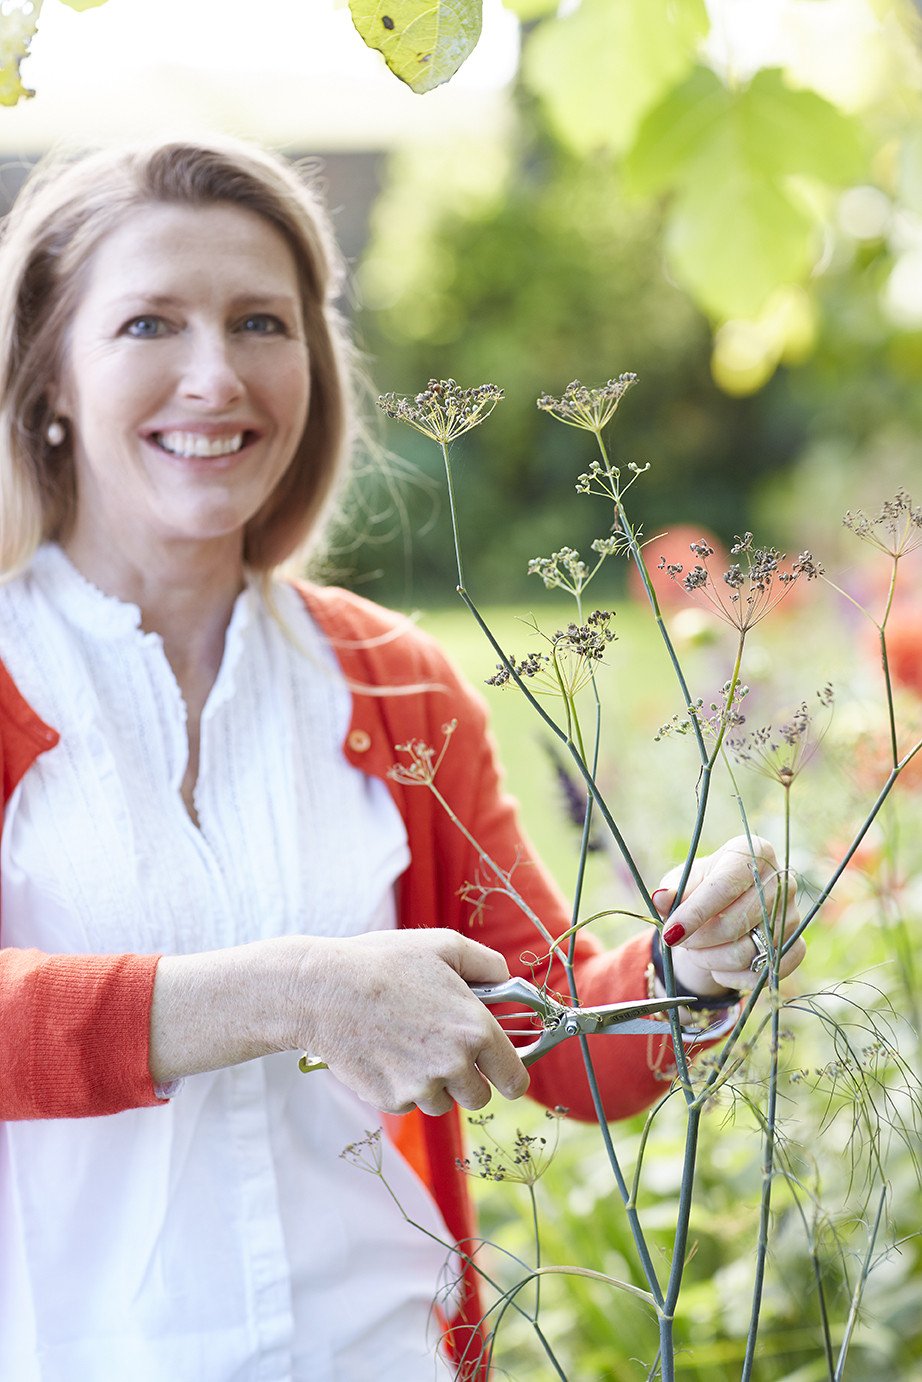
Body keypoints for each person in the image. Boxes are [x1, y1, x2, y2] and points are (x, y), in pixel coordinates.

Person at [0, 138, 806, 1381]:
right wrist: (290, 988)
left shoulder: (394, 681)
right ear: (48, 375)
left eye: (261, 321)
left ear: (313, 366)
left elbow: (559, 1037)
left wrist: (687, 965)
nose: (215, 375)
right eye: (150, 322)